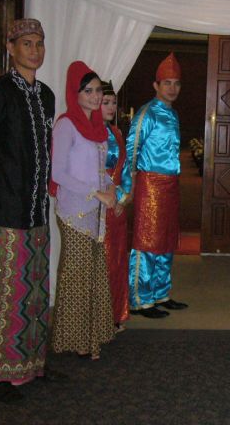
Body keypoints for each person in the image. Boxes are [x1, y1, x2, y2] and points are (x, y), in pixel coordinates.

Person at [0, 18, 59, 402]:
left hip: (36, 212)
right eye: (26, 43)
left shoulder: (47, 96)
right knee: (4, 294)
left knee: (34, 291)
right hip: (4, 212)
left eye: (39, 43)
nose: (34, 50)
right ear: (11, 48)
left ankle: (32, 364)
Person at [50, 61, 116, 360]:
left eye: (97, 90)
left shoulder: (98, 127)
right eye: (87, 90)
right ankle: (71, 340)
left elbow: (99, 170)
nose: (93, 95)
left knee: (92, 273)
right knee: (76, 275)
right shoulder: (66, 125)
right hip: (74, 209)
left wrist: (110, 188)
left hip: (95, 210)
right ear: (74, 92)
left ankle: (92, 336)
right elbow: (58, 174)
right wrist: (95, 192)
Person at [121, 52, 187, 319]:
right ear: (156, 86)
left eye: (176, 83)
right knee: (146, 242)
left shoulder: (172, 114)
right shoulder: (147, 114)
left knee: (167, 241)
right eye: (167, 83)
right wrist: (130, 187)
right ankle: (140, 299)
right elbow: (131, 150)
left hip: (170, 185)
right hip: (150, 186)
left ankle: (161, 292)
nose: (172, 88)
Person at [101, 80, 130, 332]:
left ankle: (116, 313)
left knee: (119, 259)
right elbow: (93, 172)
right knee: (105, 261)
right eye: (105, 102)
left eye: (113, 102)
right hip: (100, 205)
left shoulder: (117, 132)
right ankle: (101, 317)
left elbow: (126, 168)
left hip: (118, 204)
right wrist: (114, 195)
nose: (111, 107)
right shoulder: (90, 134)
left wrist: (124, 197)